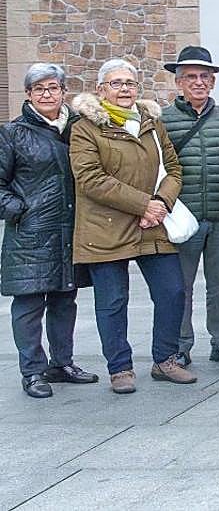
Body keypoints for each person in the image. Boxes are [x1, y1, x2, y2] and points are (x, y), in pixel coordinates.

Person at [70, 58, 194, 393]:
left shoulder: (151, 122)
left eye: (130, 83)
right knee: (112, 301)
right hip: (106, 226)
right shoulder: (85, 128)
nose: (124, 89)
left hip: (152, 223)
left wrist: (161, 204)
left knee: (172, 291)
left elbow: (174, 168)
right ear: (101, 90)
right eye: (116, 83)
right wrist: (144, 204)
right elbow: (90, 179)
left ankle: (165, 360)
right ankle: (120, 368)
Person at [1, 63, 98, 398]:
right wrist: (19, 210)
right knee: (28, 305)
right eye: (39, 88)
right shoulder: (12, 133)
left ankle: (62, 363)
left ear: (62, 92)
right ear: (28, 94)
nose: (46, 94)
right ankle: (32, 371)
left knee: (64, 300)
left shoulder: (77, 129)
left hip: (69, 230)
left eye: (52, 87)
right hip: (29, 233)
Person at [160, 46, 219, 369]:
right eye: (191, 77)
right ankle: (180, 346)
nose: (198, 82)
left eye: (204, 77)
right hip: (182, 218)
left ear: (212, 83)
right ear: (179, 83)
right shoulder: (162, 121)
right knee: (180, 287)